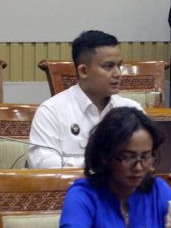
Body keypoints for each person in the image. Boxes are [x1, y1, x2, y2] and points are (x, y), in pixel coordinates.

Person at [58, 107, 171, 228]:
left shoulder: (158, 190)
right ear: (105, 156)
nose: (139, 167)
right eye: (128, 157)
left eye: (145, 157)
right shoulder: (83, 194)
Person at [29, 30, 143, 168]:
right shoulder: (52, 111)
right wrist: (102, 165)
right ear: (83, 71)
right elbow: (44, 165)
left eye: (119, 65)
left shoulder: (133, 110)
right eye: (108, 66)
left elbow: (148, 158)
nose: (118, 73)